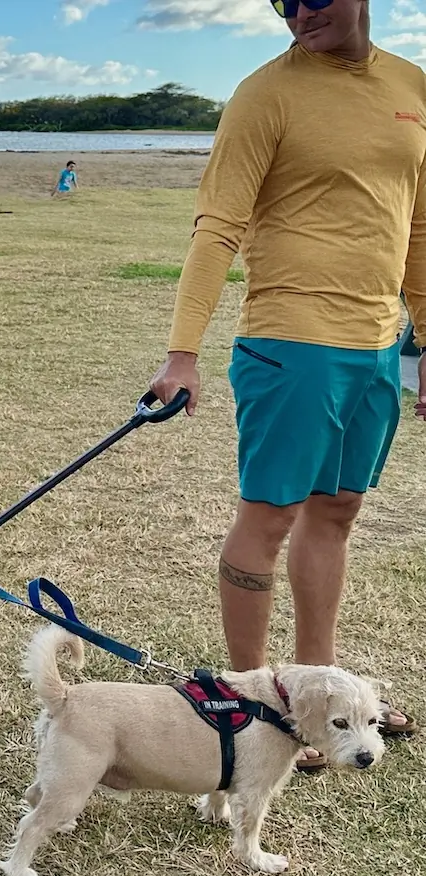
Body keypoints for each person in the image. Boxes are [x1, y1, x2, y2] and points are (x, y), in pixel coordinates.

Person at [147, 0, 423, 769]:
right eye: (282, 0)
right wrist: (182, 353)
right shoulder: (266, 93)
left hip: (374, 347)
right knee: (269, 520)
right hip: (290, 342)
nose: (298, 11)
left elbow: (420, 226)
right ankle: (252, 702)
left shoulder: (412, 86)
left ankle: (325, 697)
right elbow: (218, 225)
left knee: (336, 512)